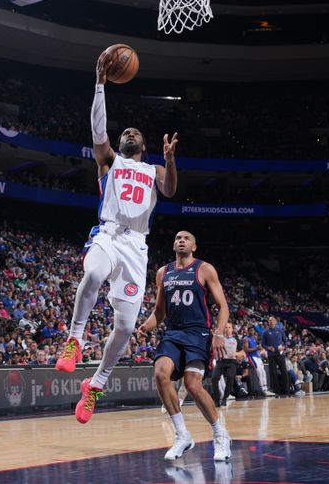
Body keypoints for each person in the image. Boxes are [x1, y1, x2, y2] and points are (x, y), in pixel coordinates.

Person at [55, 51, 179, 425]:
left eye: (134, 133)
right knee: (92, 275)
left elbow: (170, 191)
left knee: (125, 326)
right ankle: (74, 339)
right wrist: (99, 84)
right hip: (108, 234)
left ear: (143, 145)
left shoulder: (155, 168)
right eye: (125, 132)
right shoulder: (109, 160)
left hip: (136, 248)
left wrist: (171, 161)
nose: (129, 134)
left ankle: (95, 385)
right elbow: (97, 131)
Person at [137, 230, 231, 461]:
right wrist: (146, 326)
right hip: (173, 332)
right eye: (178, 238)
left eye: (186, 238)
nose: (181, 240)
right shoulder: (163, 273)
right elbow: (160, 311)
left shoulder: (204, 269)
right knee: (161, 374)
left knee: (192, 385)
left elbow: (224, 306)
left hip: (197, 333)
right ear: (173, 244)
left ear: (194, 247)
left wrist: (218, 334)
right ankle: (182, 435)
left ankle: (220, 434)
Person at [211, 322, 240, 406]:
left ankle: (225, 398)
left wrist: (237, 354)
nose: (227, 329)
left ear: (232, 329)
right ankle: (217, 399)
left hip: (231, 362)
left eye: (229, 327)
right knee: (214, 378)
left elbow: (243, 352)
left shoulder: (236, 339)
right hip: (220, 361)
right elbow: (212, 348)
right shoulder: (219, 338)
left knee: (230, 377)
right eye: (226, 327)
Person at [261, 317, 289, 396]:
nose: (271, 322)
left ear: (276, 322)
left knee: (284, 372)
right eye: (270, 320)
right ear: (268, 322)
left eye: (273, 320)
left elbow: (286, 341)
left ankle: (287, 390)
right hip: (271, 355)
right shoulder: (265, 332)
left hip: (280, 354)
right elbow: (263, 344)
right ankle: (277, 391)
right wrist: (268, 348)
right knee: (273, 373)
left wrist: (284, 347)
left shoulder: (280, 330)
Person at [242, 327, 272, 396]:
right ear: (248, 331)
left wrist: (259, 349)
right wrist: (256, 348)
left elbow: (256, 348)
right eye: (250, 330)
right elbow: (246, 350)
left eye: (253, 330)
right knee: (259, 371)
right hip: (251, 357)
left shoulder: (254, 338)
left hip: (257, 356)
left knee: (263, 372)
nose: (252, 332)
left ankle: (266, 388)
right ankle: (262, 389)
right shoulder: (246, 339)